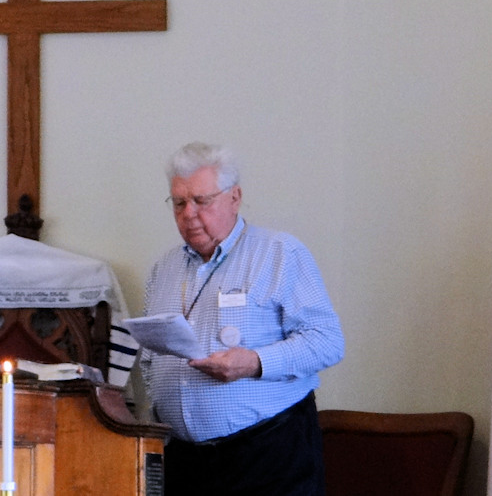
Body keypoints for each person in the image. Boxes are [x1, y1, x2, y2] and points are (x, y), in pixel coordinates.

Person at [139, 142, 344, 496]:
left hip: (268, 458)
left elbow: (327, 342)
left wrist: (254, 362)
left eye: (201, 200)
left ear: (234, 197)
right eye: (179, 203)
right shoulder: (164, 269)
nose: (189, 214)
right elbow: (149, 359)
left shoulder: (280, 253)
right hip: (184, 464)